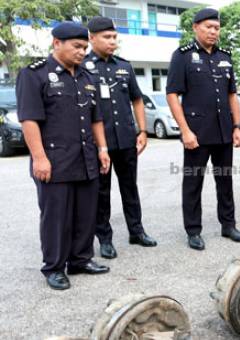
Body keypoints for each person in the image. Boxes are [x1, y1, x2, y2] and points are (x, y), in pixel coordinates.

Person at [16, 22, 111, 290]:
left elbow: (96, 119)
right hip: (54, 160)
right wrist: (39, 157)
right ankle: (54, 267)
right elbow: (29, 120)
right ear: (56, 43)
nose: (82, 52)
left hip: (86, 156)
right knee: (56, 217)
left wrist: (102, 150)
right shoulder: (35, 74)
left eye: (85, 47)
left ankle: (80, 259)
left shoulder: (86, 77)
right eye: (77, 47)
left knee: (86, 213)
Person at [166, 8, 240, 250]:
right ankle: (193, 230)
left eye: (216, 28)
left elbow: (232, 94)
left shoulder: (225, 56)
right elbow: (172, 95)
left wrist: (237, 126)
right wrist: (185, 130)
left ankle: (228, 225)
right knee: (193, 183)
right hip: (197, 133)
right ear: (195, 27)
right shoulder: (182, 56)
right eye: (208, 27)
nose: (213, 32)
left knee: (225, 180)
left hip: (223, 131)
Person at [84, 16, 157, 259]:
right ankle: (104, 239)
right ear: (91, 38)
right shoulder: (83, 67)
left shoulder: (124, 66)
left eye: (114, 37)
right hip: (99, 144)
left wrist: (142, 130)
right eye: (106, 37)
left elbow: (137, 99)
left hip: (126, 139)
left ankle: (136, 231)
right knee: (101, 193)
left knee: (130, 188)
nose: (112, 41)